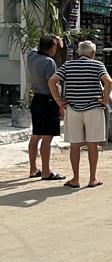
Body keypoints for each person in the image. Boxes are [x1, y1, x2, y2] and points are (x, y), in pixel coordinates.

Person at [49, 40, 112, 189]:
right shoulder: (97, 65)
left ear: (78, 52)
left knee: (75, 145)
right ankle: (92, 178)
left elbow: (52, 81)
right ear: (93, 54)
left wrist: (59, 101)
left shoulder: (68, 65)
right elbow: (108, 81)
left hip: (73, 109)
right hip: (94, 109)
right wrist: (104, 99)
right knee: (92, 144)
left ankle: (76, 179)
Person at [26, 34, 63, 181]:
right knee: (47, 138)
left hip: (36, 100)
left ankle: (33, 168)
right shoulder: (49, 62)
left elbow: (35, 48)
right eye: (55, 46)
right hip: (48, 100)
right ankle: (46, 171)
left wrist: (53, 38)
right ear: (52, 47)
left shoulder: (31, 57)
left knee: (36, 136)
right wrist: (59, 103)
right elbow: (52, 85)